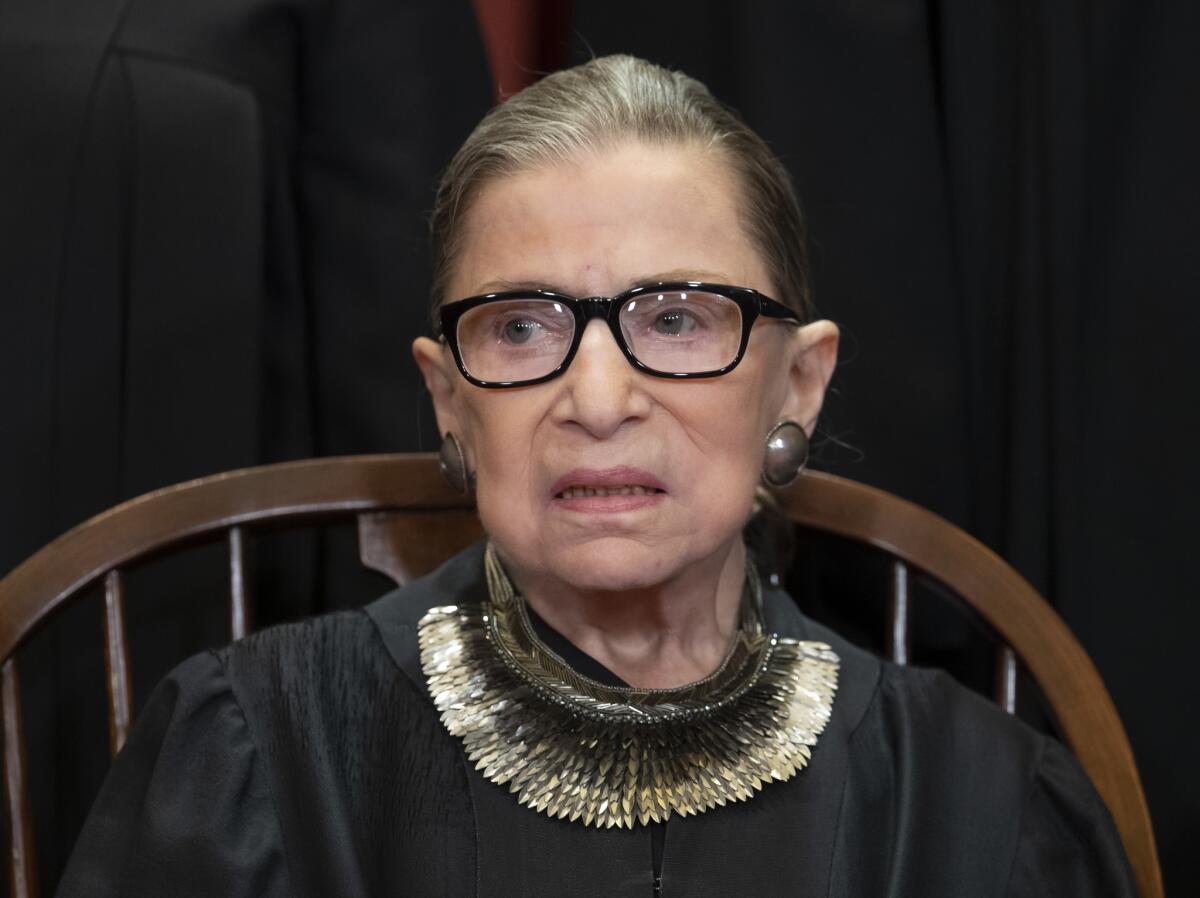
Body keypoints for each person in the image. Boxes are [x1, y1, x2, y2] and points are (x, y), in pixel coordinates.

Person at [57, 55, 1136, 897]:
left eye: (675, 318)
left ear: (797, 383)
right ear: (450, 400)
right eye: (522, 326)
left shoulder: (984, 804)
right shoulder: (254, 754)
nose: (600, 397)